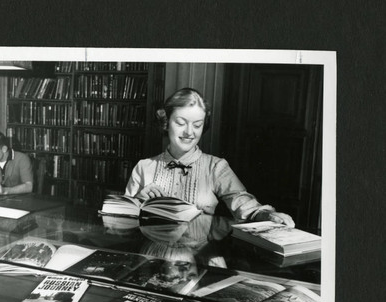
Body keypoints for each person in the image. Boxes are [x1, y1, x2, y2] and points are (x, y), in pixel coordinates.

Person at [124, 88, 295, 227]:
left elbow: (244, 204)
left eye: (197, 125)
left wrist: (268, 214)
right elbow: (119, 221)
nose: (189, 132)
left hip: (201, 259)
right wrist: (139, 202)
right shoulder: (144, 167)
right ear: (166, 122)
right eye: (181, 123)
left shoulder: (216, 166)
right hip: (153, 258)